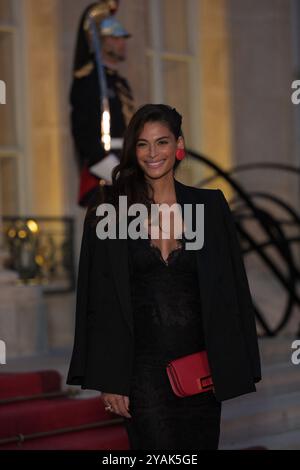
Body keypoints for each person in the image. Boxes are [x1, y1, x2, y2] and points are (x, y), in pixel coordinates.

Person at [66, 104, 261, 450]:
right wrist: (109, 379)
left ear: (179, 145)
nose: (153, 153)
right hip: (141, 372)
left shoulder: (210, 207)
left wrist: (236, 363)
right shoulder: (110, 211)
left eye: (162, 142)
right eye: (143, 144)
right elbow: (98, 301)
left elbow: (233, 289)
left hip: (200, 369)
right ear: (133, 150)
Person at [70, 6, 135, 206]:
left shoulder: (120, 83)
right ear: (101, 42)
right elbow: (84, 134)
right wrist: (112, 171)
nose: (122, 43)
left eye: (122, 38)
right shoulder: (89, 81)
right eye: (115, 38)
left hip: (126, 164)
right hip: (103, 169)